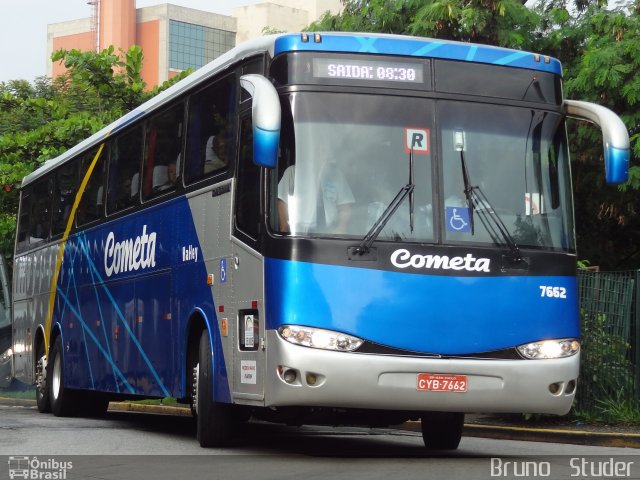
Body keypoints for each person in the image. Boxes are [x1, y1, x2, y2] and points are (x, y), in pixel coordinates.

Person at [277, 163, 355, 234]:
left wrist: (341, 228)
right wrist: (284, 229)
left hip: (331, 232)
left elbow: (345, 204)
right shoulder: (292, 171)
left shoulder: (335, 174)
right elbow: (282, 200)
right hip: (301, 232)